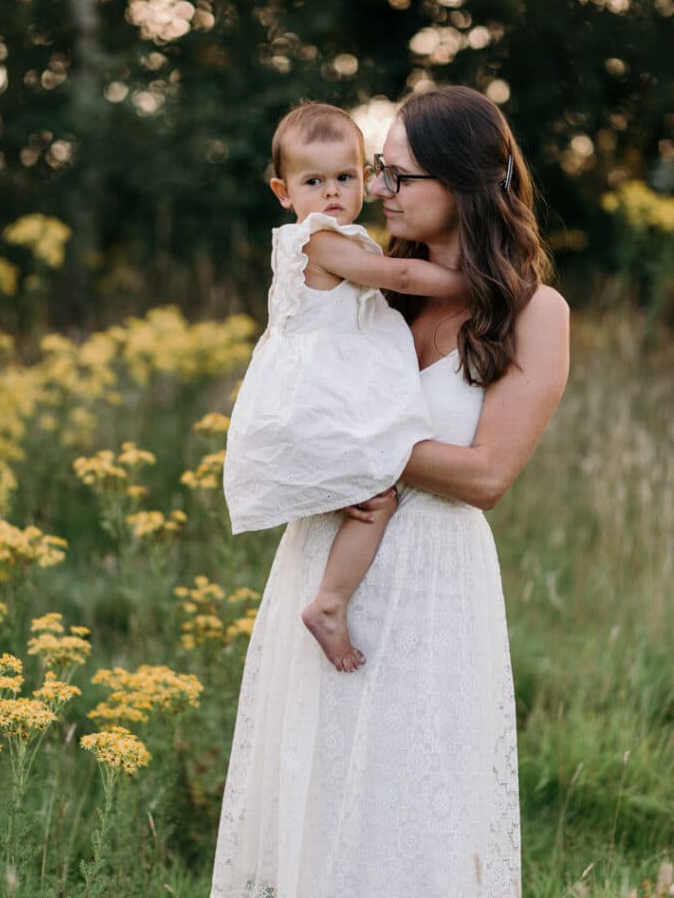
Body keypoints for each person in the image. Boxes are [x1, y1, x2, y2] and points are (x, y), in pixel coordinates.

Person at [212, 85, 570, 898]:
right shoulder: (371, 295)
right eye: (378, 171)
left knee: (411, 804)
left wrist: (350, 446)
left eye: (398, 176)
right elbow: (295, 385)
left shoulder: (531, 311)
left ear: (464, 183)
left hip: (432, 580)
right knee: (320, 788)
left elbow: (484, 475)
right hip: (325, 562)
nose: (375, 191)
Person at [223, 101, 466, 672]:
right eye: (314, 181)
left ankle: (330, 595)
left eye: (345, 177)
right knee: (377, 500)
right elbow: (400, 276)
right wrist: (475, 282)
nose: (331, 192)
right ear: (284, 191)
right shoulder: (318, 240)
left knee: (369, 497)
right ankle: (330, 602)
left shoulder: (340, 237)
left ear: (363, 177)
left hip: (320, 398)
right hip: (318, 404)